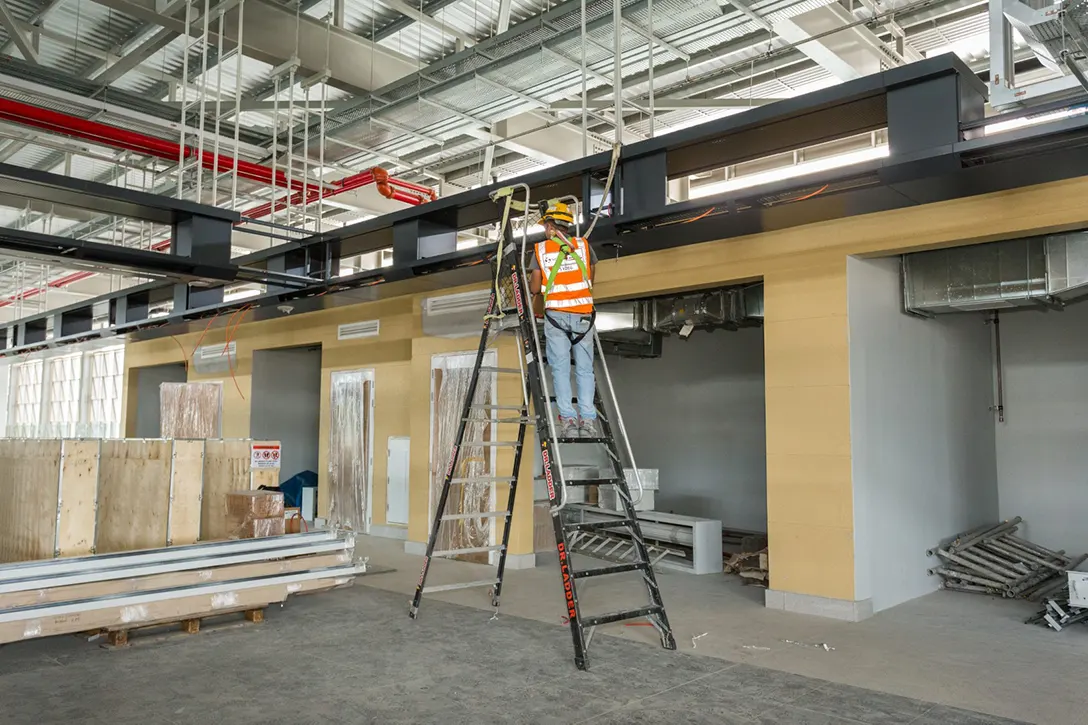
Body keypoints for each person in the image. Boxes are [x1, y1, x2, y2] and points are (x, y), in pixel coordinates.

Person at [528, 201, 599, 439]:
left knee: (560, 368)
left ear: (549, 226)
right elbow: (590, 279)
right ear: (567, 226)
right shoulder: (584, 246)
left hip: (556, 316)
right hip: (583, 316)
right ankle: (588, 421)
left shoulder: (540, 250)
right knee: (585, 370)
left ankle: (568, 420)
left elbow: (535, 287)